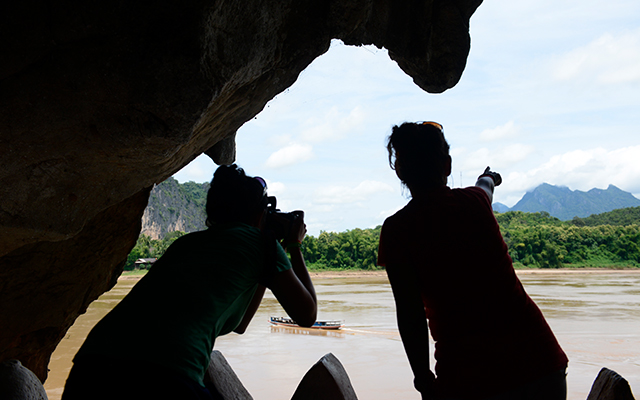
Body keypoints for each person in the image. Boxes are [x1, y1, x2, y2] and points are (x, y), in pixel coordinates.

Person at [62, 164, 317, 400]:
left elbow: (238, 325)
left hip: (90, 368)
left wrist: (268, 263)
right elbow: (307, 314)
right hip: (165, 375)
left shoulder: (186, 244)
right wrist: (293, 246)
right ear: (260, 213)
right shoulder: (261, 245)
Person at [377, 122, 568, 400]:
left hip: (466, 376)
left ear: (401, 172)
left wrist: (423, 379)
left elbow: (410, 316)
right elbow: (485, 187)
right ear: (447, 166)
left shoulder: (397, 230)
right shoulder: (475, 202)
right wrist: (489, 176)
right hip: (538, 359)